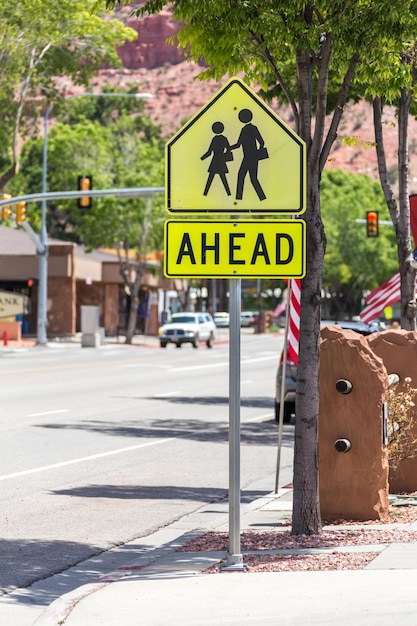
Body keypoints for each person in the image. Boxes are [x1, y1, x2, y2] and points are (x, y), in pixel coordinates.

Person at [231, 108, 267, 201]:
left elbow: (239, 144)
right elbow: (261, 143)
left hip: (249, 157)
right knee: (252, 178)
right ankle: (261, 198)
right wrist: (258, 153)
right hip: (250, 157)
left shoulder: (247, 129)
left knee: (243, 176)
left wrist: (229, 148)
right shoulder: (249, 129)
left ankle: (240, 198)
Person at [201, 121, 233, 196]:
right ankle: (229, 194)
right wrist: (225, 155)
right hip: (221, 160)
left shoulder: (214, 139)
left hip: (215, 161)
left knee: (210, 178)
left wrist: (202, 158)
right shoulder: (224, 138)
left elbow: (209, 152)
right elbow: (228, 149)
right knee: (223, 178)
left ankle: (205, 194)